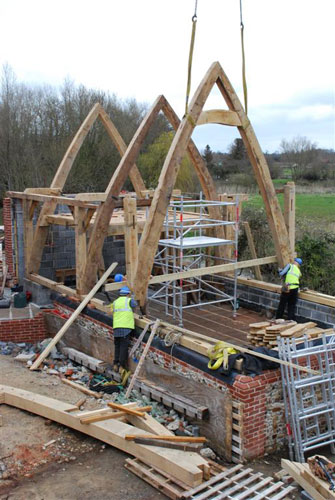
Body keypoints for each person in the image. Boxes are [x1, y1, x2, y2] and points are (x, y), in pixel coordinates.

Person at [110, 286, 137, 375]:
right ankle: (121, 366)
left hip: (116, 327)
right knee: (123, 348)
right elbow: (135, 304)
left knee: (117, 346)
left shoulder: (115, 302)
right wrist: (132, 297)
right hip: (125, 327)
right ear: (128, 294)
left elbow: (111, 311)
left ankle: (115, 364)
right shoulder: (129, 301)